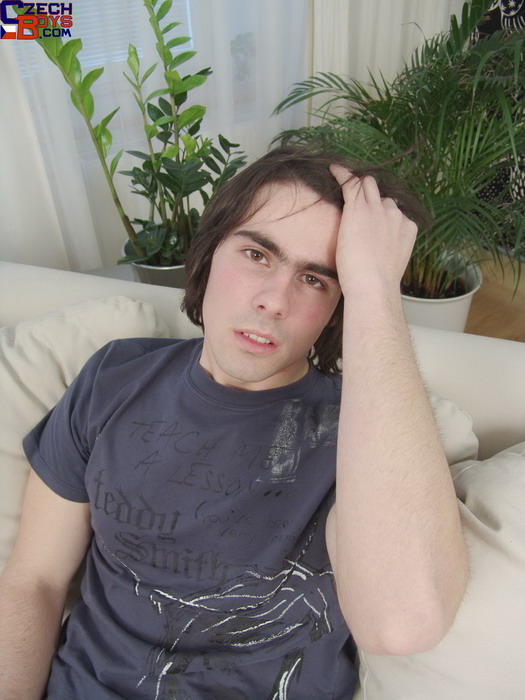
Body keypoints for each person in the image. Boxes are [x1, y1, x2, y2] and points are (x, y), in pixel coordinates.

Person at [0, 147, 468, 699]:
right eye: (257, 254)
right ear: (211, 251)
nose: (274, 300)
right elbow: (35, 580)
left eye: (316, 279)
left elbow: (402, 622)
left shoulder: (363, 435)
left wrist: (374, 288)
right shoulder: (113, 377)